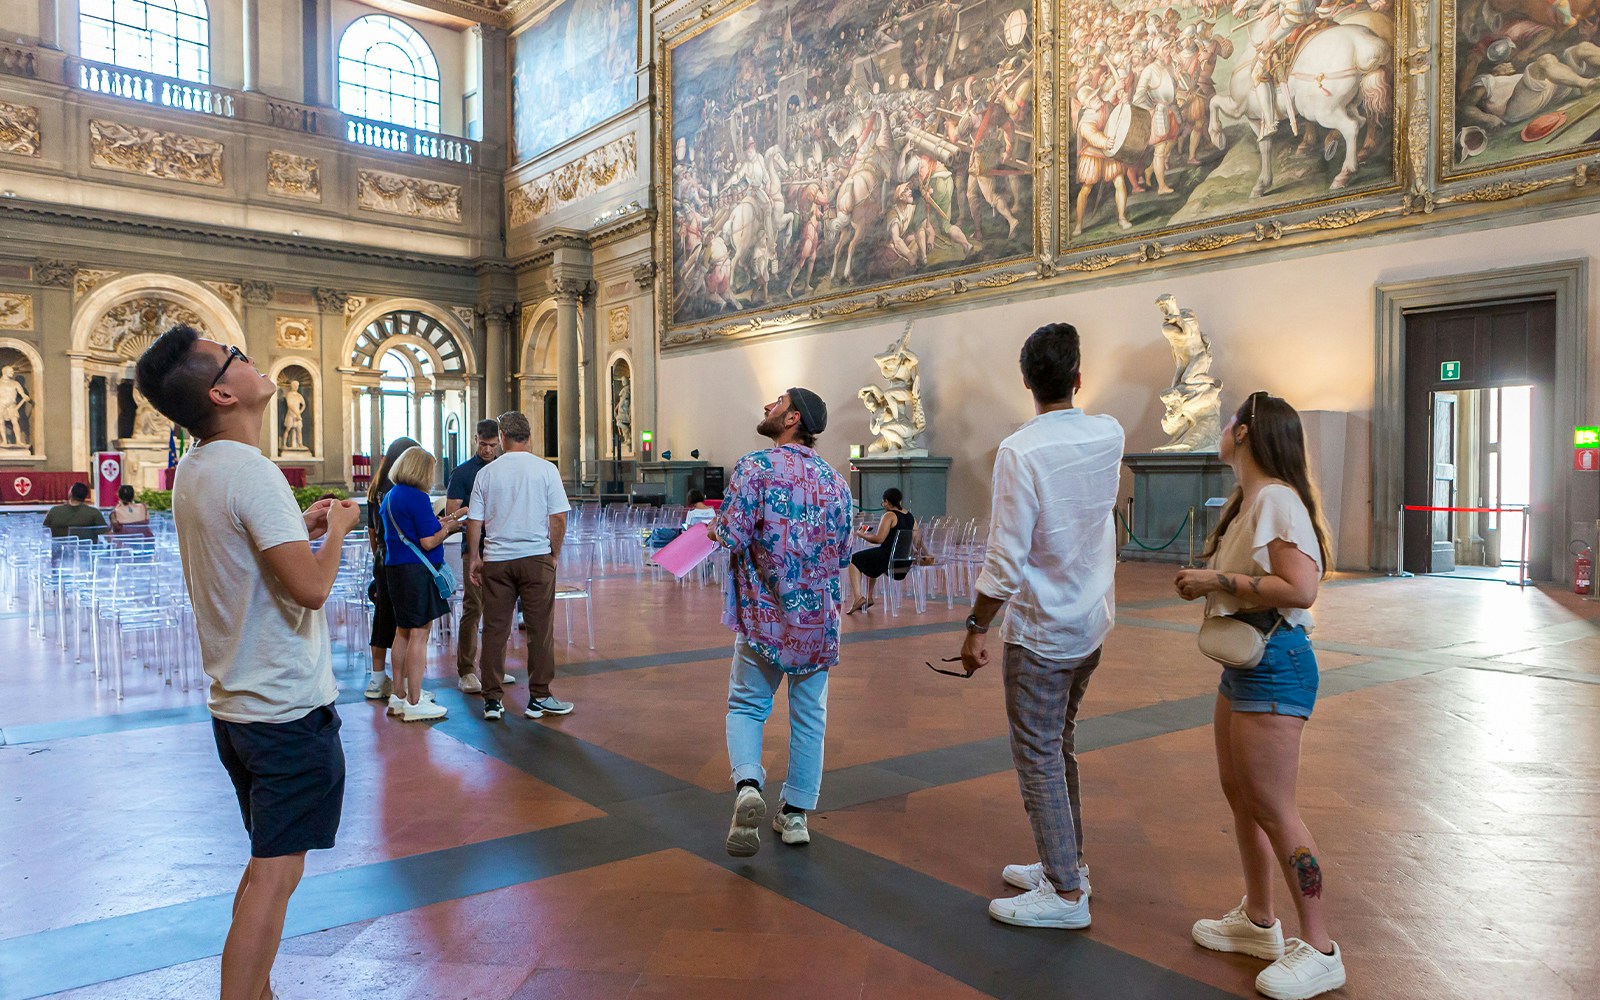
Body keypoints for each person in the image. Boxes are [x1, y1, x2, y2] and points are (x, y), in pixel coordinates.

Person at [133, 324, 361, 1000]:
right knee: (275, 875)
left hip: (237, 706)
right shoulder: (254, 472)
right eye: (235, 356)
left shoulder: (198, 470)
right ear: (223, 391)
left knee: (266, 865)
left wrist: (303, 529)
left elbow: (253, 554)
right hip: (284, 706)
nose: (253, 359)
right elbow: (313, 590)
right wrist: (341, 531)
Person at [1174, 391, 1345, 1000]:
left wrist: (1215, 579)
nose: (1221, 429)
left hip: (1277, 663)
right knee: (1241, 796)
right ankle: (1257, 921)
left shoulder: (1274, 497)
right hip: (1248, 659)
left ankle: (1321, 948)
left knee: (1274, 806)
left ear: (1244, 433)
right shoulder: (1254, 498)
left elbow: (1301, 588)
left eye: (1228, 421)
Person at [954, 323, 1123, 931]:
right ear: (1078, 379)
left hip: (1044, 631)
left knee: (1038, 753)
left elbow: (1005, 559)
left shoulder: (1020, 451)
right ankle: (1067, 862)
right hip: (1090, 622)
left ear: (1027, 383)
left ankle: (1064, 892)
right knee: (1060, 743)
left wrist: (976, 627)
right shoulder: (1109, 434)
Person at [709, 388, 853, 857]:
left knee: (748, 705)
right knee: (810, 716)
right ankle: (795, 816)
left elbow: (731, 534)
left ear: (792, 417)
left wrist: (711, 529)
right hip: (817, 620)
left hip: (765, 617)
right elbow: (845, 551)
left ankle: (749, 785)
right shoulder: (836, 480)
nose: (766, 406)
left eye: (775, 402)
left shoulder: (756, 467)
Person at [466, 411, 572, 723]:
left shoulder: (487, 473)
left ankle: (492, 701)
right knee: (540, 630)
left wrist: (475, 557)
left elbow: (474, 521)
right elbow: (559, 518)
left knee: (495, 630)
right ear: (529, 436)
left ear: (501, 437)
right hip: (535, 557)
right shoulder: (546, 470)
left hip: (497, 560)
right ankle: (539, 698)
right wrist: (553, 554)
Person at [381, 445, 463, 722]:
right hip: (417, 572)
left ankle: (399, 694)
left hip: (396, 569)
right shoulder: (417, 496)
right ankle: (415, 702)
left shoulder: (391, 495)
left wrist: (444, 520)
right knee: (419, 633)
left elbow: (418, 529)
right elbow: (429, 540)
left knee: (402, 631)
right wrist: (450, 527)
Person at [444, 419, 506, 694]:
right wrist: (474, 509)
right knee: (473, 608)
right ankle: (467, 670)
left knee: (499, 611)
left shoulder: (504, 469)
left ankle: (491, 668)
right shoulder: (463, 473)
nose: (488, 450)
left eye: (493, 446)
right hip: (475, 548)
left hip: (501, 546)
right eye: (483, 445)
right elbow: (451, 513)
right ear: (475, 440)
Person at [363, 436, 420, 702]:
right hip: (402, 559)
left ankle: (376, 680)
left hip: (381, 559)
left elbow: (372, 532)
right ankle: (407, 684)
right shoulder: (405, 490)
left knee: (382, 616)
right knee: (405, 623)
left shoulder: (375, 489)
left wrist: (378, 554)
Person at [846, 487, 915, 614]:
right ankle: (869, 596)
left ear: (887, 501)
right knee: (870, 560)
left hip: (888, 560)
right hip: (905, 562)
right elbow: (916, 539)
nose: (883, 505)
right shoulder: (910, 516)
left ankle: (858, 597)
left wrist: (861, 534)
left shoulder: (889, 515)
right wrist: (926, 554)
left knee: (854, 560)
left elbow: (879, 539)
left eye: (883, 502)